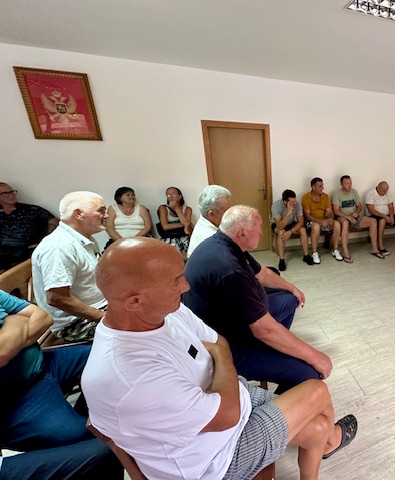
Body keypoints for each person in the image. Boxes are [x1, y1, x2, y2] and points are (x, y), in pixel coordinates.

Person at [82, 237, 357, 480]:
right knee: (316, 389)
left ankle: (326, 446)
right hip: (214, 462)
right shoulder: (129, 374)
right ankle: (332, 440)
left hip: (230, 401)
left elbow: (219, 342)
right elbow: (226, 414)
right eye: (176, 281)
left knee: (318, 426)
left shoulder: (166, 311)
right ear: (134, 301)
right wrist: (222, 357)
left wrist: (220, 357)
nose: (186, 285)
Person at [183, 205, 332, 394]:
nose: (262, 232)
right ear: (242, 232)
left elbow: (262, 273)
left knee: (288, 299)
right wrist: (315, 356)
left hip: (235, 321)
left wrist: (292, 288)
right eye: (259, 228)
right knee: (309, 372)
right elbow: (264, 330)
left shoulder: (226, 243)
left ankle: (276, 347)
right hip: (226, 346)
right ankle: (274, 405)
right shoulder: (229, 269)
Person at [0, 289, 122, 480]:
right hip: (16, 400)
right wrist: (16, 320)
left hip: (45, 363)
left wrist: (11, 341)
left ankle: (94, 416)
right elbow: (2, 353)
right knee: (83, 439)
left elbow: (43, 318)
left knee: (115, 360)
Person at [32, 191, 109, 342]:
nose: (106, 216)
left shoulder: (83, 239)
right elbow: (57, 298)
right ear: (78, 214)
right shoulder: (59, 247)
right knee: (145, 327)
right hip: (76, 323)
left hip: (100, 306)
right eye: (101, 210)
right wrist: (105, 317)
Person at [0, 183, 59, 270]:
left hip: (28, 252)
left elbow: (58, 223)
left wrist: (47, 241)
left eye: (12, 192)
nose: (11, 195)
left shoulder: (32, 210)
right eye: (6, 194)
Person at [332, 175, 384, 262]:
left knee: (373, 221)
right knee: (345, 223)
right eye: (347, 184)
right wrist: (349, 217)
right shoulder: (337, 193)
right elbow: (336, 211)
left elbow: (359, 206)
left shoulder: (354, 192)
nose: (349, 185)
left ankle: (374, 249)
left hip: (354, 216)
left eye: (350, 183)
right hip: (342, 217)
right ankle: (346, 252)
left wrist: (356, 212)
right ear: (341, 184)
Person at [301, 177, 340, 264]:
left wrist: (330, 218)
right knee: (316, 226)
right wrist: (320, 221)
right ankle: (314, 253)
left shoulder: (325, 196)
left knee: (337, 224)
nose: (322, 188)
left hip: (323, 220)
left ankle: (335, 250)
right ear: (313, 187)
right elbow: (307, 216)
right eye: (320, 186)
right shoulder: (306, 197)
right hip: (310, 222)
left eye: (322, 185)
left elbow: (330, 212)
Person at [271, 189, 312, 270]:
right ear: (285, 202)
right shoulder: (276, 206)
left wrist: (291, 232)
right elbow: (280, 226)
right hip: (278, 224)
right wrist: (288, 213)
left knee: (303, 230)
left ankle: (306, 255)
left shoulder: (297, 204)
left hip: (290, 223)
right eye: (292, 202)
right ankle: (282, 260)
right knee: (281, 232)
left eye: (295, 201)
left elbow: (301, 222)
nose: (294, 203)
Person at [187, 184, 232, 258]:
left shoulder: (204, 220)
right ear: (211, 214)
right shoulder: (211, 239)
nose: (230, 214)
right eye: (226, 211)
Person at [365, 181, 395, 254]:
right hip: (374, 215)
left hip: (387, 214)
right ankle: (380, 246)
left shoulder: (388, 193)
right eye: (383, 191)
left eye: (386, 191)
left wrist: (391, 216)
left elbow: (391, 207)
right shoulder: (370, 193)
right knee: (382, 221)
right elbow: (371, 210)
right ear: (378, 188)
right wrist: (385, 217)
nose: (385, 192)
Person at [157, 186, 193, 258]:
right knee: (172, 251)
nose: (170, 196)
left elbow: (188, 228)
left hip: (184, 236)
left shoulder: (187, 209)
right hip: (169, 236)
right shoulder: (163, 208)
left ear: (180, 196)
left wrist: (176, 209)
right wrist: (184, 224)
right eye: (168, 195)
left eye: (173, 194)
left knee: (192, 248)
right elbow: (165, 226)